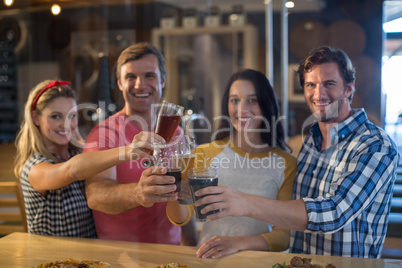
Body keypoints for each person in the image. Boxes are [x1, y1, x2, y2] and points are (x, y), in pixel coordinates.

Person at [193, 46, 399, 258]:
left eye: (329, 84)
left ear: (349, 88)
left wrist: (245, 203)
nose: (319, 94)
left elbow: (333, 213)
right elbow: (288, 227)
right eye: (311, 85)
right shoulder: (311, 141)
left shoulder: (375, 145)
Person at [14, 79, 162, 237]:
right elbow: (72, 170)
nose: (66, 124)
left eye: (72, 116)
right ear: (36, 118)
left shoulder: (80, 154)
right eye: (56, 117)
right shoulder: (33, 167)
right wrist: (128, 151)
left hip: (88, 259)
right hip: (52, 260)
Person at [83, 42, 196, 245]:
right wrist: (138, 193)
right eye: (130, 77)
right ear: (119, 83)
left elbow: (184, 197)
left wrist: (193, 250)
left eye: (149, 76)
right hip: (119, 259)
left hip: (171, 257)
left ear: (163, 80)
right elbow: (95, 195)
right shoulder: (103, 134)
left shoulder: (177, 133)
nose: (139, 84)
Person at [193, 69, 297, 258]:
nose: (241, 109)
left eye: (252, 100)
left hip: (258, 263)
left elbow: (284, 235)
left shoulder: (286, 164)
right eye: (235, 100)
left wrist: (236, 243)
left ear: (266, 105)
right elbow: (181, 217)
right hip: (209, 262)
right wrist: (174, 192)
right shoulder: (204, 153)